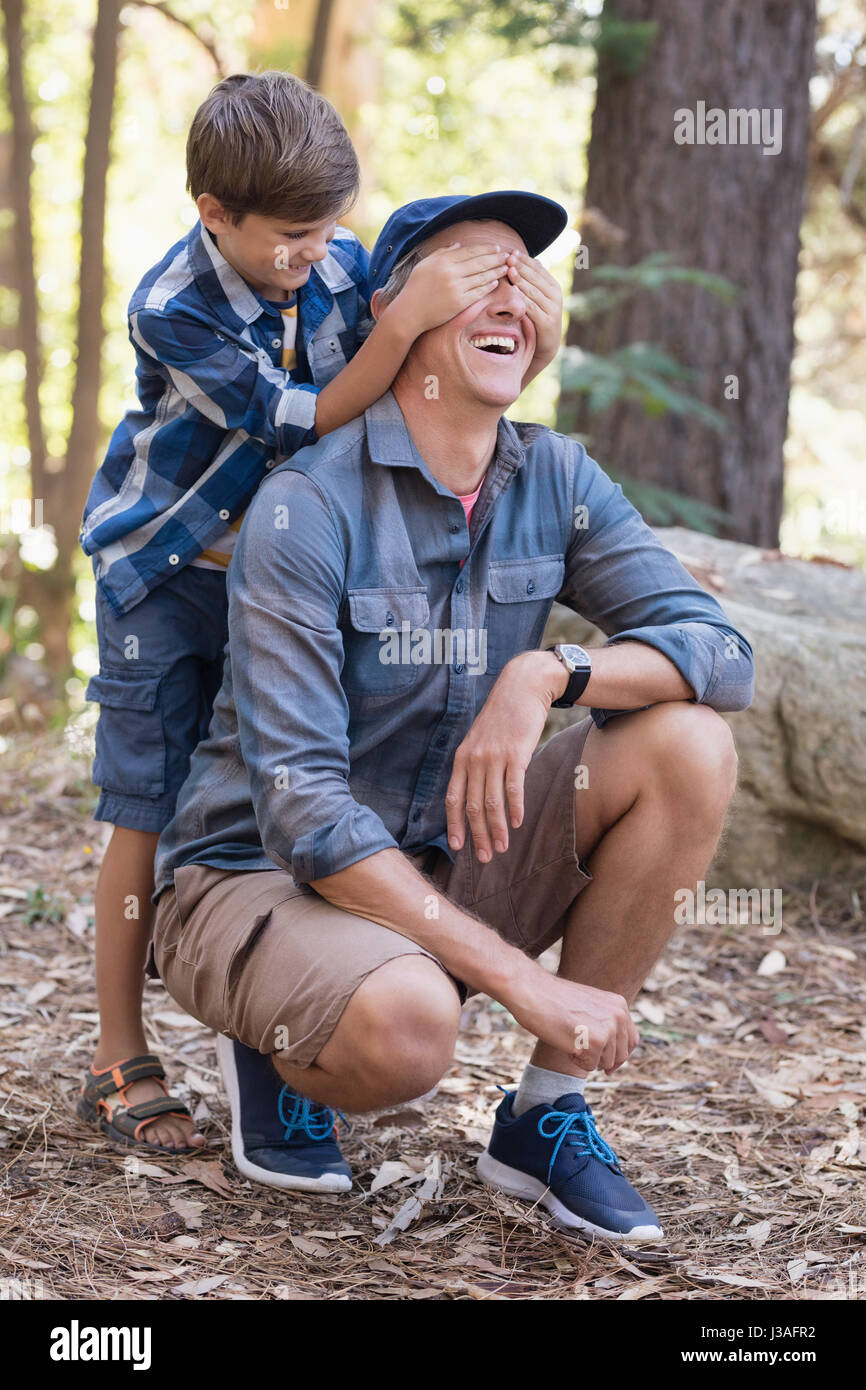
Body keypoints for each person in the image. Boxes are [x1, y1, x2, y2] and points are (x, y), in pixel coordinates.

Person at [151, 191, 754, 1240]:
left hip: (437, 854)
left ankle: (545, 1115)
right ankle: (278, 1035)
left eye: (525, 277)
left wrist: (546, 676)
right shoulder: (310, 504)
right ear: (398, 308)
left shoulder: (554, 475)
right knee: (406, 1031)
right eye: (477, 270)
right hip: (257, 875)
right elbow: (303, 816)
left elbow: (720, 653)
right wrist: (523, 981)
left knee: (688, 743)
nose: (510, 293)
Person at [77, 72, 562, 1168]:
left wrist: (460, 314)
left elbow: (408, 395)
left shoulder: (334, 259)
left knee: (281, 789)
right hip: (170, 574)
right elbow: (301, 421)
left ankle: (272, 1002)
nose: (314, 254)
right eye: (292, 238)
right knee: (146, 805)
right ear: (216, 216)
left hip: (284, 571)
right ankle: (120, 1055)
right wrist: (407, 322)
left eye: (329, 230)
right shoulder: (173, 303)